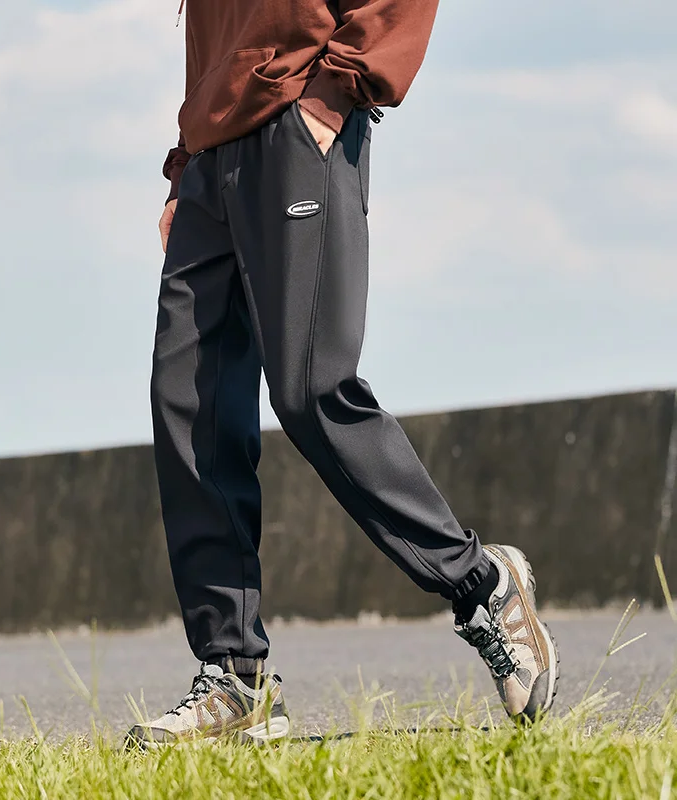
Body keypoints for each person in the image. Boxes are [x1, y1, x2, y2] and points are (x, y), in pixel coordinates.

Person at [127, 0, 559, 748]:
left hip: (302, 116)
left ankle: (480, 587)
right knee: (188, 405)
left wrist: (338, 90)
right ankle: (236, 677)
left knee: (312, 390)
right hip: (211, 155)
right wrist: (186, 161)